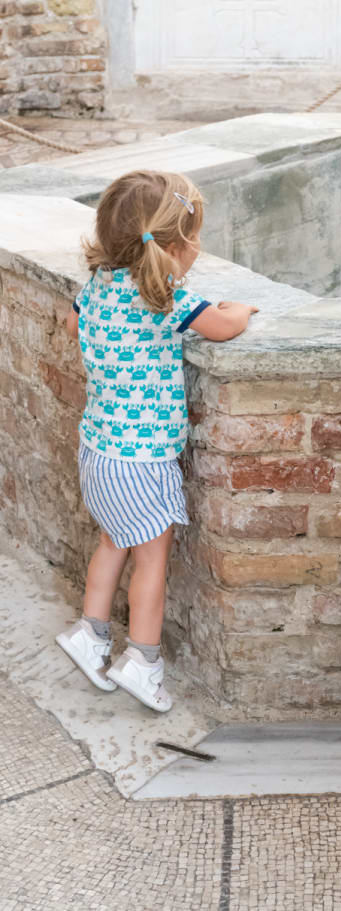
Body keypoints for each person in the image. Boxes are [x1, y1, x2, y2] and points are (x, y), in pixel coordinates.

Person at [55, 170, 257, 712]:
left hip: (98, 448)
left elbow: (75, 326)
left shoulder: (98, 285)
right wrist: (243, 309)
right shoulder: (165, 296)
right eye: (194, 239)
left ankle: (90, 633)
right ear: (173, 246)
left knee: (111, 543)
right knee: (151, 561)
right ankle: (142, 661)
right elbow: (221, 326)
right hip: (142, 461)